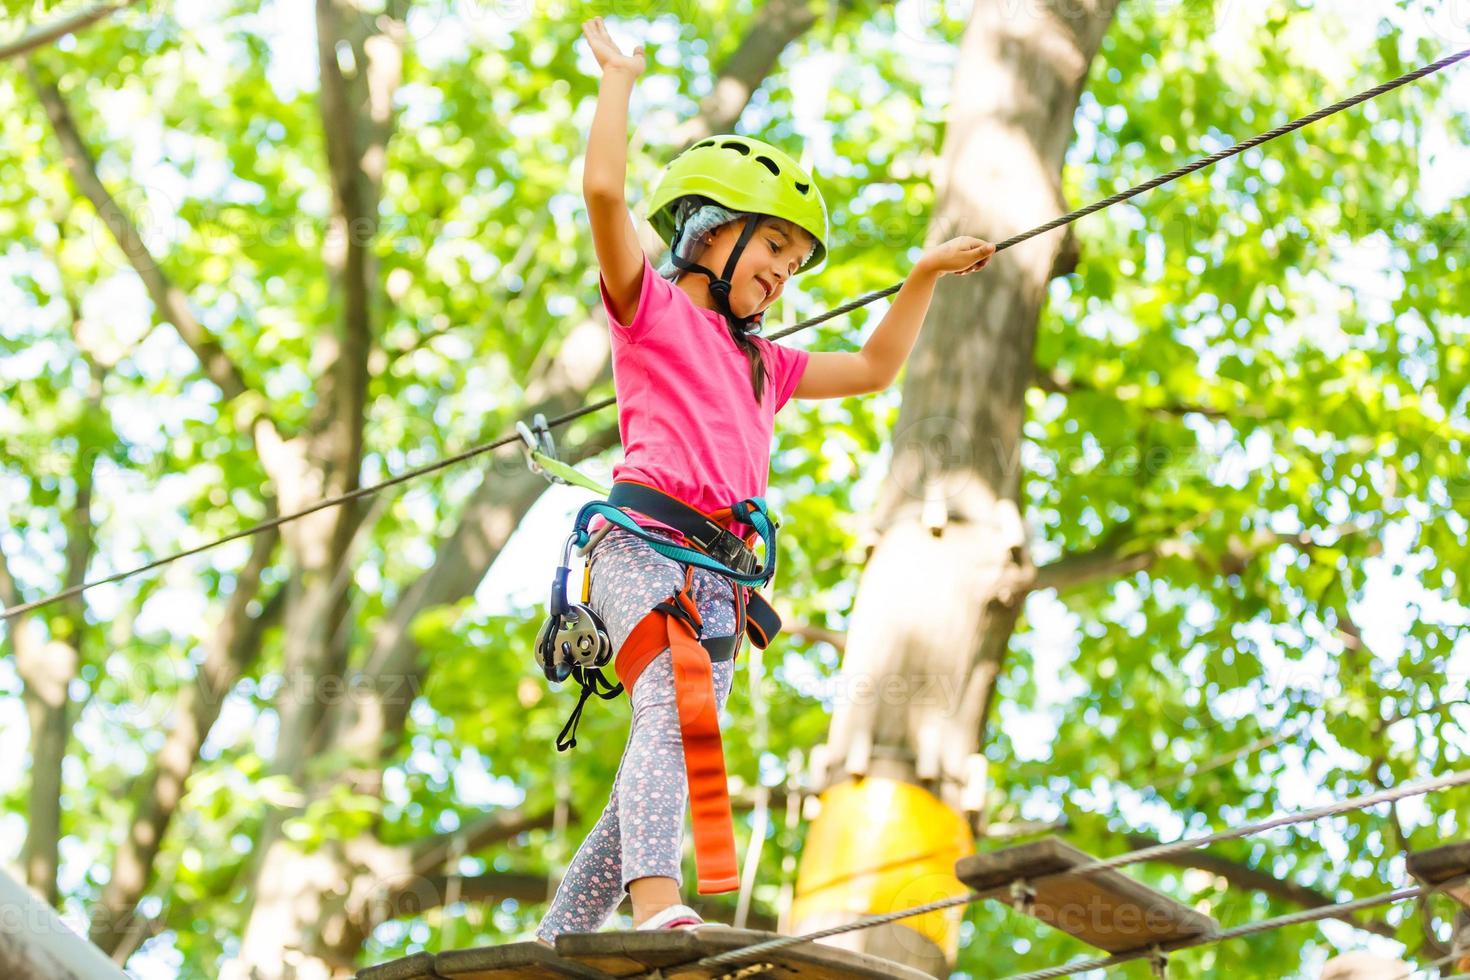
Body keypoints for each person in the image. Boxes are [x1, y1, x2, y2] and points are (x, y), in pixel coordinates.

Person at [534, 17, 995, 946]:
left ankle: (560, 936)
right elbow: (602, 192)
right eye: (773, 249)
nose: (783, 274)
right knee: (673, 705)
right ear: (709, 235)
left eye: (794, 264)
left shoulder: (765, 366)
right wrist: (619, 81)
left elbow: (871, 368)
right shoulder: (651, 311)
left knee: (673, 752)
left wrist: (923, 277)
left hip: (725, 578)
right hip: (640, 543)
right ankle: (659, 903)